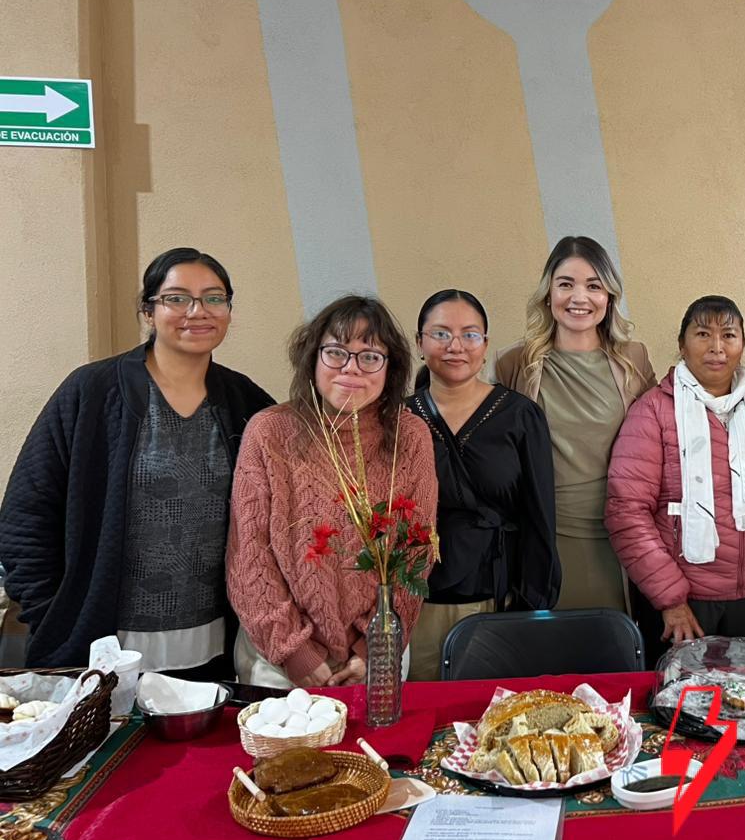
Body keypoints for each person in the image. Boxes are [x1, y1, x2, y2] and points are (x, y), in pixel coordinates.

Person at [0, 248, 273, 673]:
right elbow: (26, 511)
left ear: (228, 311)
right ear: (149, 311)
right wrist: (50, 610)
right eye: (177, 298)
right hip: (101, 647)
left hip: (215, 646)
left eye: (214, 298)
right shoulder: (92, 392)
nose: (197, 311)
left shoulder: (245, 401)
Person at [226, 296, 437, 687]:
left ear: (390, 368)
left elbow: (416, 554)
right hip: (278, 662)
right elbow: (249, 555)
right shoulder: (269, 431)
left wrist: (373, 651)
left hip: (378, 656)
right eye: (336, 352)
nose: (351, 368)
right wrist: (296, 653)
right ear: (313, 357)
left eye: (370, 356)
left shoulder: (411, 436)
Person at [606, 296, 745, 663]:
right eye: (703, 334)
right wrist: (669, 599)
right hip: (683, 601)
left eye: (729, 335)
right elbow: (627, 511)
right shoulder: (653, 411)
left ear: (743, 344)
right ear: (682, 344)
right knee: (682, 705)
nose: (717, 347)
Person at [404, 289, 559, 680]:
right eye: (440, 334)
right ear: (419, 343)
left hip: (497, 596)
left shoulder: (520, 415)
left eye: (469, 335)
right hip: (413, 601)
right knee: (421, 710)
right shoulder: (400, 418)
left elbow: (539, 517)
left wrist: (531, 606)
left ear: (485, 345)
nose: (455, 346)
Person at [494, 236, 656, 612]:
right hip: (545, 533)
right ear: (548, 293)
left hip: (617, 534)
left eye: (593, 286)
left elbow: (652, 446)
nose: (578, 297)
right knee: (551, 654)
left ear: (609, 297)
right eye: (566, 284)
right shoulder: (513, 363)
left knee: (613, 652)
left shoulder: (634, 359)